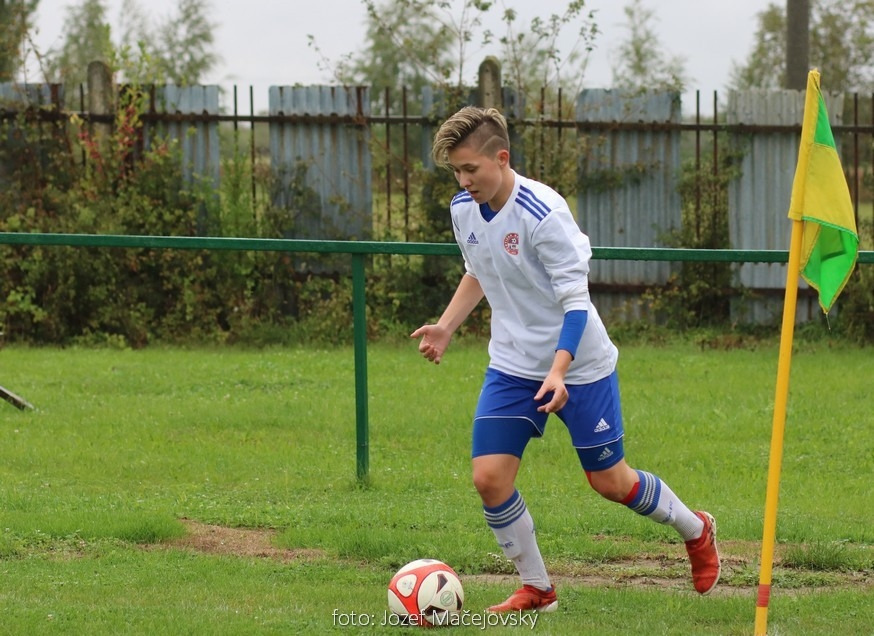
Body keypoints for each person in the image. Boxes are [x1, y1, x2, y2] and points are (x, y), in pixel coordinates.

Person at [411, 106, 720, 613]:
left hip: (579, 366)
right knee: (489, 479)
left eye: (470, 169)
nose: (463, 181)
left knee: (610, 482)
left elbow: (576, 304)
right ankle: (538, 589)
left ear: (501, 158)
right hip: (512, 364)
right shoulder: (463, 208)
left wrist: (559, 371)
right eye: (456, 172)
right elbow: (479, 270)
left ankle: (695, 528)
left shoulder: (543, 213)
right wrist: (446, 326)